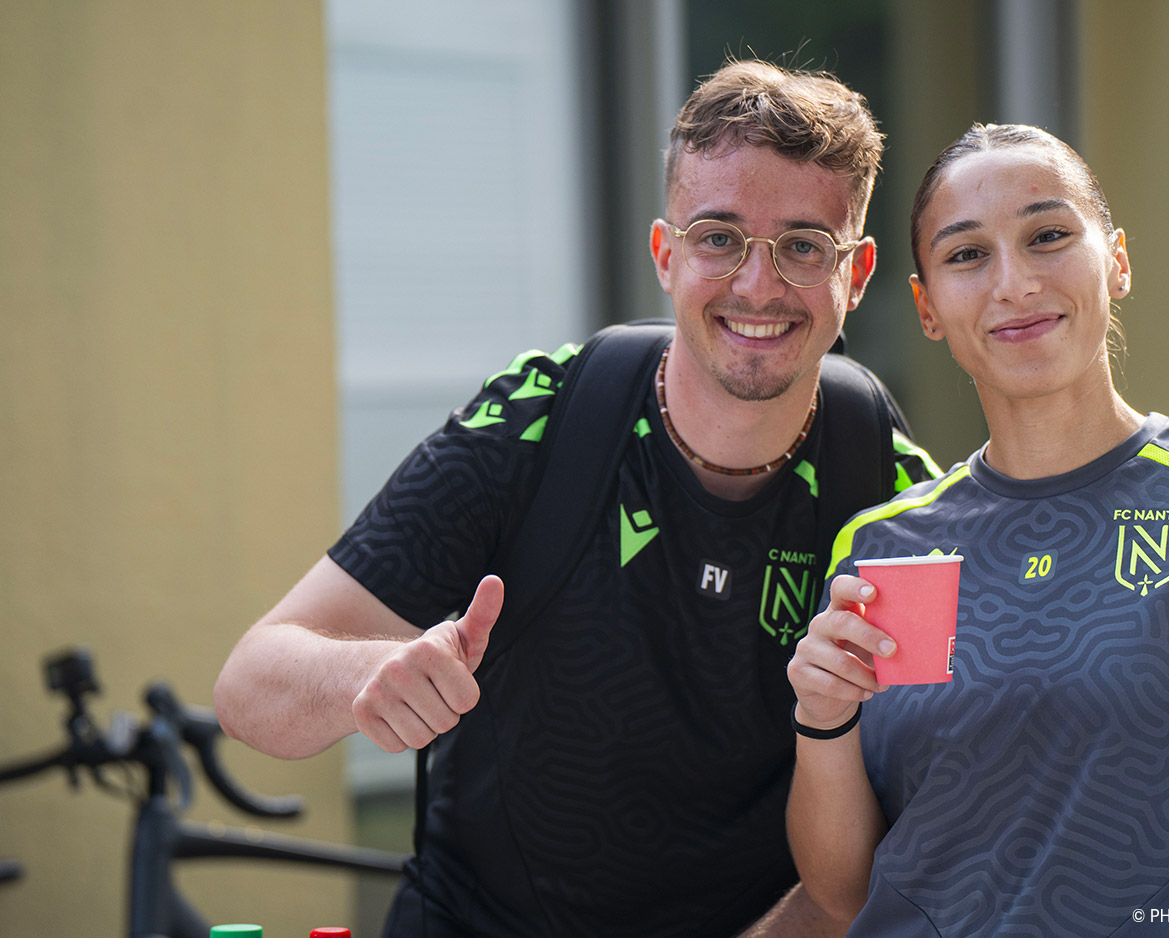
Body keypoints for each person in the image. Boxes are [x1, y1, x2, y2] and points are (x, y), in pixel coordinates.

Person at [213, 61, 937, 938]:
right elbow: (250, 689)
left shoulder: (895, 495)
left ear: (856, 274)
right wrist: (369, 676)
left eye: (804, 246)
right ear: (666, 254)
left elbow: (914, 830)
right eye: (718, 237)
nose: (757, 283)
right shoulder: (537, 419)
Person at [785, 123, 1169, 937]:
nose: (1014, 283)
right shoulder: (880, 547)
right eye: (967, 254)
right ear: (927, 308)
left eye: (1048, 236)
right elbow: (842, 895)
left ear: (1116, 261)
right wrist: (822, 717)